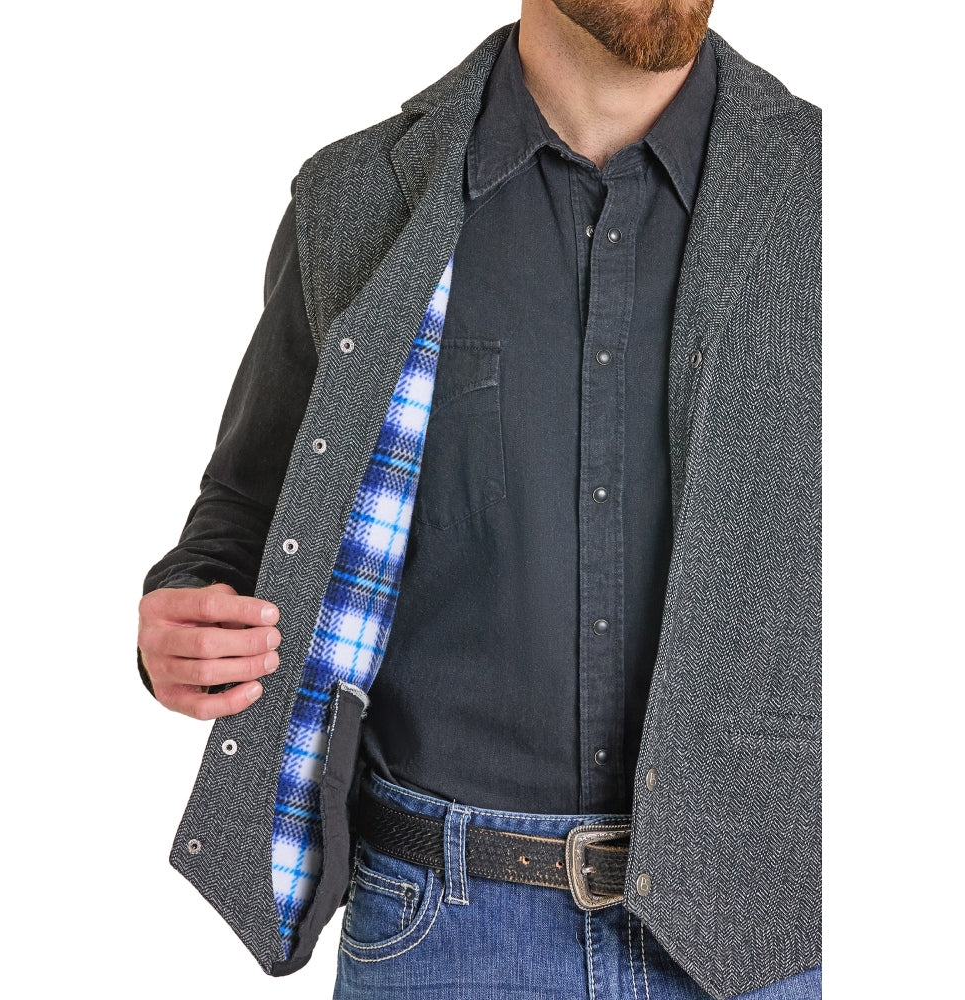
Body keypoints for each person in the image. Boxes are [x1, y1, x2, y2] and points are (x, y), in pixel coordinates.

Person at [137, 2, 821, 998]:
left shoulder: (844, 193)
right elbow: (250, 505)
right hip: (441, 934)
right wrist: (190, 611)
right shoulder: (357, 200)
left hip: (769, 931)